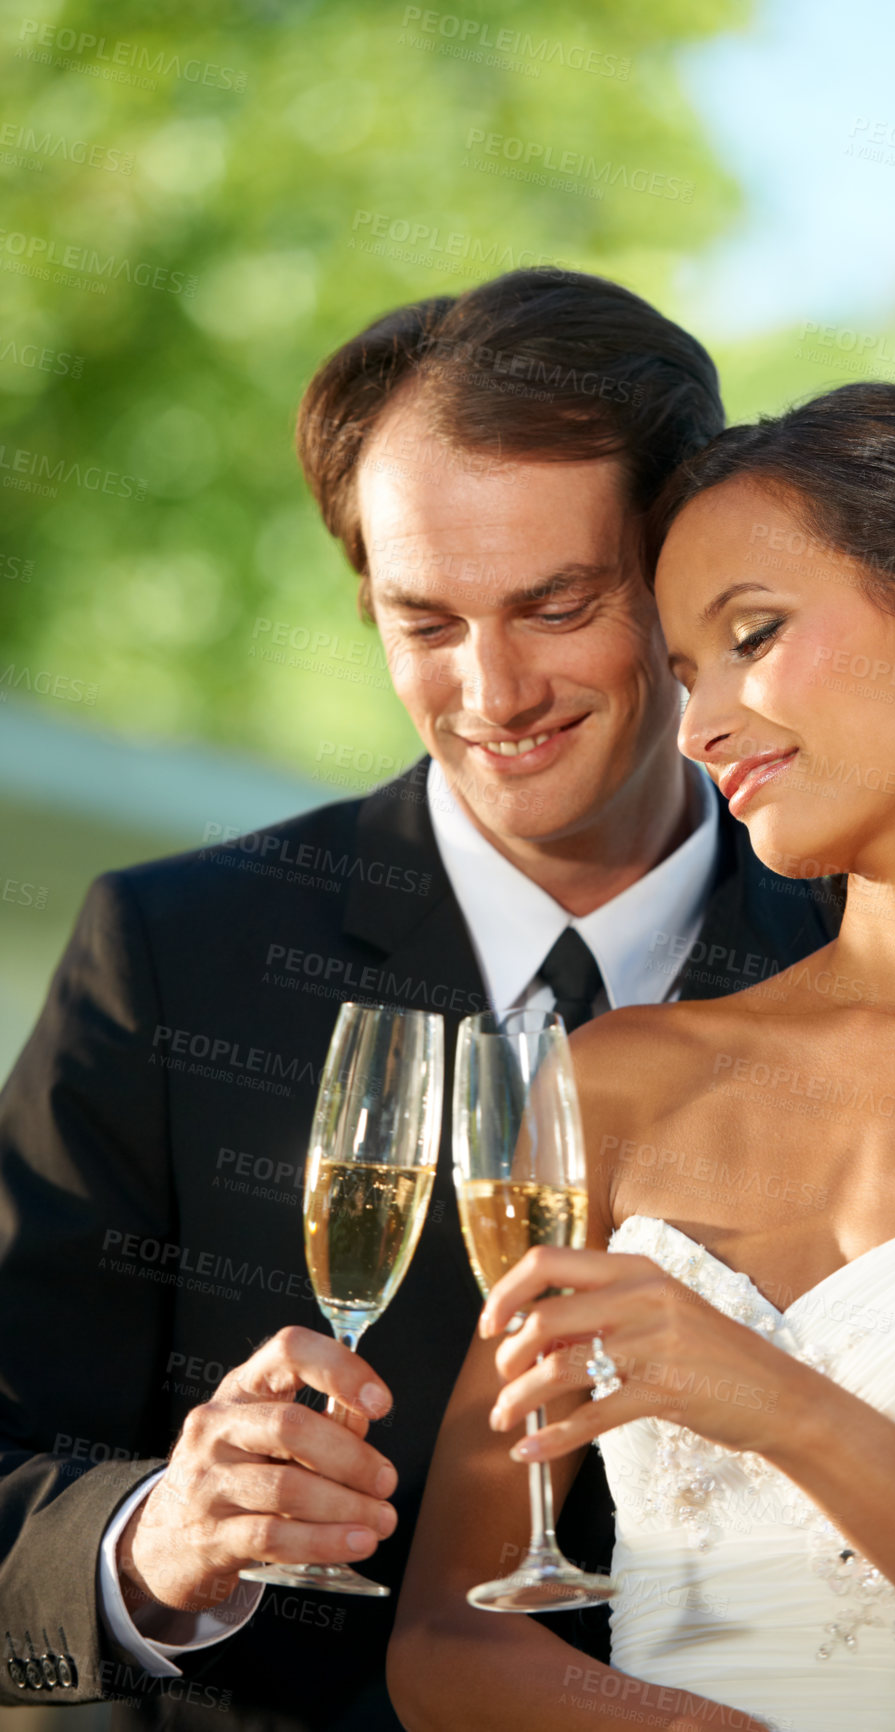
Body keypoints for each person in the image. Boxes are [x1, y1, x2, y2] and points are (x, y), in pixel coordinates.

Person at [0, 269, 835, 1730]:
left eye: (556, 604)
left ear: (682, 572)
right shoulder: (170, 951)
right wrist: (161, 1542)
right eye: (424, 621)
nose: (493, 690)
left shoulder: (877, 957)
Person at [390, 381, 895, 1731]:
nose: (699, 729)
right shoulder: (617, 1080)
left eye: (752, 637)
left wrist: (786, 1411)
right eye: (685, 677)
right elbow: (448, 1640)